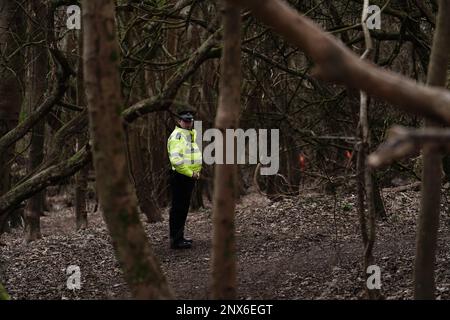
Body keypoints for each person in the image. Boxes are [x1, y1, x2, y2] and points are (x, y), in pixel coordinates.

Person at [167, 109, 202, 249]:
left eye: (190, 121)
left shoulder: (190, 135)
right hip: (181, 176)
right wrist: (190, 173)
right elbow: (176, 161)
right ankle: (176, 240)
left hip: (188, 177)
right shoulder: (178, 137)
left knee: (183, 208)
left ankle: (179, 237)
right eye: (185, 121)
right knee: (178, 208)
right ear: (179, 121)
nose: (188, 124)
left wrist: (196, 171)